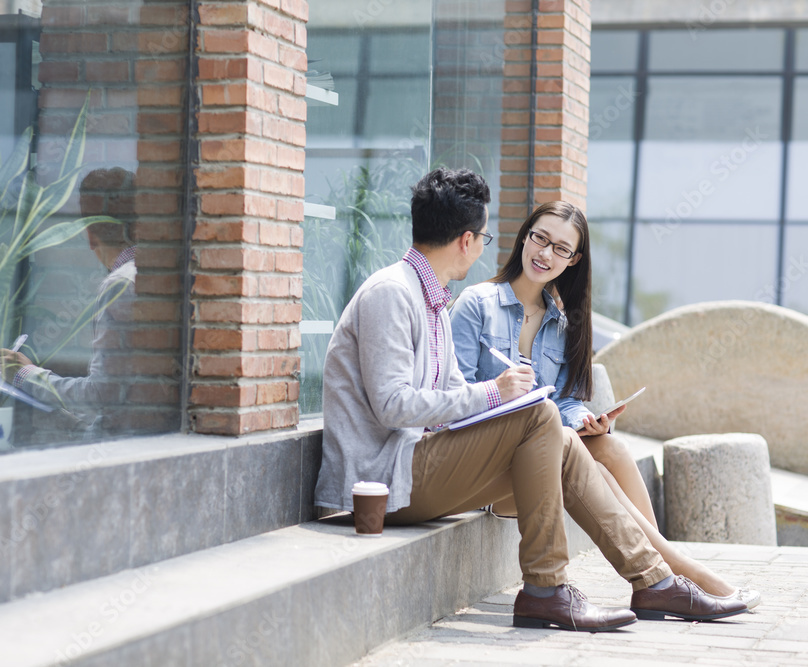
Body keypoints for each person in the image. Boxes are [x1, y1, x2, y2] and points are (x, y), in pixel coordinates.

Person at [314, 167, 746, 631]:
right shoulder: (391, 294)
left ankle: (646, 582)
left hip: (415, 467)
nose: (483, 246)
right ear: (465, 240)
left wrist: (508, 402)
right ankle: (550, 587)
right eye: (482, 236)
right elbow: (392, 405)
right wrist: (495, 393)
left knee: (557, 435)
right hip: (378, 486)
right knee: (542, 418)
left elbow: (452, 395)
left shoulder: (432, 298)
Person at [449, 200, 759, 609]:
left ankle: (666, 572)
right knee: (591, 467)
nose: (545, 253)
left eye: (561, 248)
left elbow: (560, 401)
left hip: (539, 455)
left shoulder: (560, 324)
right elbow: (452, 397)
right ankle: (682, 574)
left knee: (610, 447)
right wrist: (503, 392)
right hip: (485, 468)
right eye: (540, 238)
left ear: (574, 260)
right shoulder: (477, 304)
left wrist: (586, 420)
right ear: (525, 236)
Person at [0, 167, 136, 435]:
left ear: (90, 235)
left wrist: (26, 376)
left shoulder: (120, 285)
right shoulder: (156, 275)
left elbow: (101, 395)